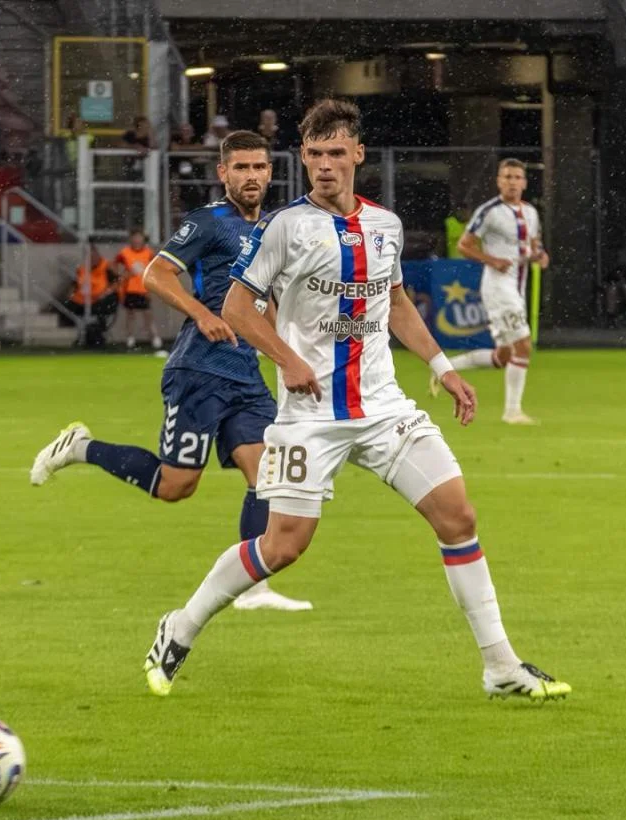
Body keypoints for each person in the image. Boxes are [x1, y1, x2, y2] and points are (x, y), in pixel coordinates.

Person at [142, 98, 570, 701]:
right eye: (314, 154)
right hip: (309, 416)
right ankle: (181, 626)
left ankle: (500, 667)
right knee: (283, 545)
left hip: (384, 409)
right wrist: (287, 359)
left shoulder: (385, 225)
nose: (324, 165)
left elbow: (395, 303)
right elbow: (237, 308)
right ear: (303, 158)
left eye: (336, 153)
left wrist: (444, 368)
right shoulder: (282, 227)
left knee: (458, 517)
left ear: (357, 155)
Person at [31, 131, 311, 612]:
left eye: (259, 167)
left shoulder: (272, 229)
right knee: (175, 486)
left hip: (245, 374)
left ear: (270, 172)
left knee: (267, 474)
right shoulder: (208, 222)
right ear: (223, 173)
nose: (251, 176)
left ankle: (254, 590)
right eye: (240, 167)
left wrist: (287, 353)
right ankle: (80, 447)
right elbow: (156, 274)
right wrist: (202, 314)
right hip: (199, 370)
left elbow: (260, 301)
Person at [443, 159, 549, 425]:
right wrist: (492, 260)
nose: (512, 182)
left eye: (517, 177)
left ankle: (446, 369)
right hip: (498, 287)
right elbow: (465, 245)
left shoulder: (531, 212)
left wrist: (540, 254)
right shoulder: (489, 211)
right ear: (499, 181)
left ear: (524, 183)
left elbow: (533, 243)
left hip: (518, 286)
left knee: (504, 356)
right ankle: (512, 412)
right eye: (507, 177)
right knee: (523, 346)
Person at [113, 228, 161, 350]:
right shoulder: (125, 253)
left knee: (148, 314)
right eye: (135, 237)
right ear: (131, 239)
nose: (137, 240)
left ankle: (154, 338)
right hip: (130, 288)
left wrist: (151, 285)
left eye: (139, 237)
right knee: (130, 314)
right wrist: (122, 276)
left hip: (144, 288)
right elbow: (114, 265)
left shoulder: (148, 253)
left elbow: (155, 268)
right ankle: (130, 338)